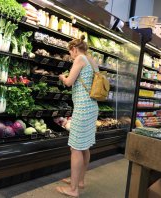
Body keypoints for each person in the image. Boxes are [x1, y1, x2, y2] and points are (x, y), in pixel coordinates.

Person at [56, 35, 99, 198]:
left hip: (82, 109)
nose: (71, 56)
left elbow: (68, 82)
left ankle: (73, 190)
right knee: (85, 147)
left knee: (75, 148)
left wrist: (62, 77)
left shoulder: (80, 59)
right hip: (92, 107)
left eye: (70, 53)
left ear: (74, 49)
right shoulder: (91, 60)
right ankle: (79, 181)